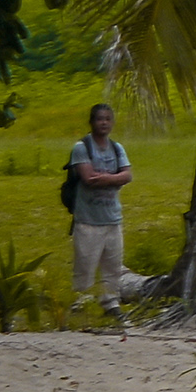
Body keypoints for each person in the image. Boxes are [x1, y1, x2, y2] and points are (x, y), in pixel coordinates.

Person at [63, 102, 135, 316]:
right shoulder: (82, 147)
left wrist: (105, 178)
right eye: (99, 119)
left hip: (113, 218)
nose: (104, 123)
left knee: (113, 265)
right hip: (88, 220)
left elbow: (128, 175)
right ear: (92, 122)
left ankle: (110, 303)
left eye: (107, 119)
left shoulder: (117, 148)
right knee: (85, 264)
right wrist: (115, 178)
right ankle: (80, 302)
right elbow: (88, 178)